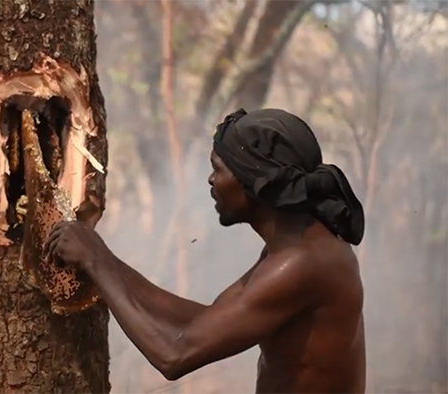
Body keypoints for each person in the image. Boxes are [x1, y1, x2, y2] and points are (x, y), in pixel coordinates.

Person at [44, 108, 367, 393]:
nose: (211, 180)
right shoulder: (295, 246)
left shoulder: (301, 264)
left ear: (253, 182)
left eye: (219, 169)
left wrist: (96, 261)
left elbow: (173, 356)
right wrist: (104, 259)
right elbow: (207, 320)